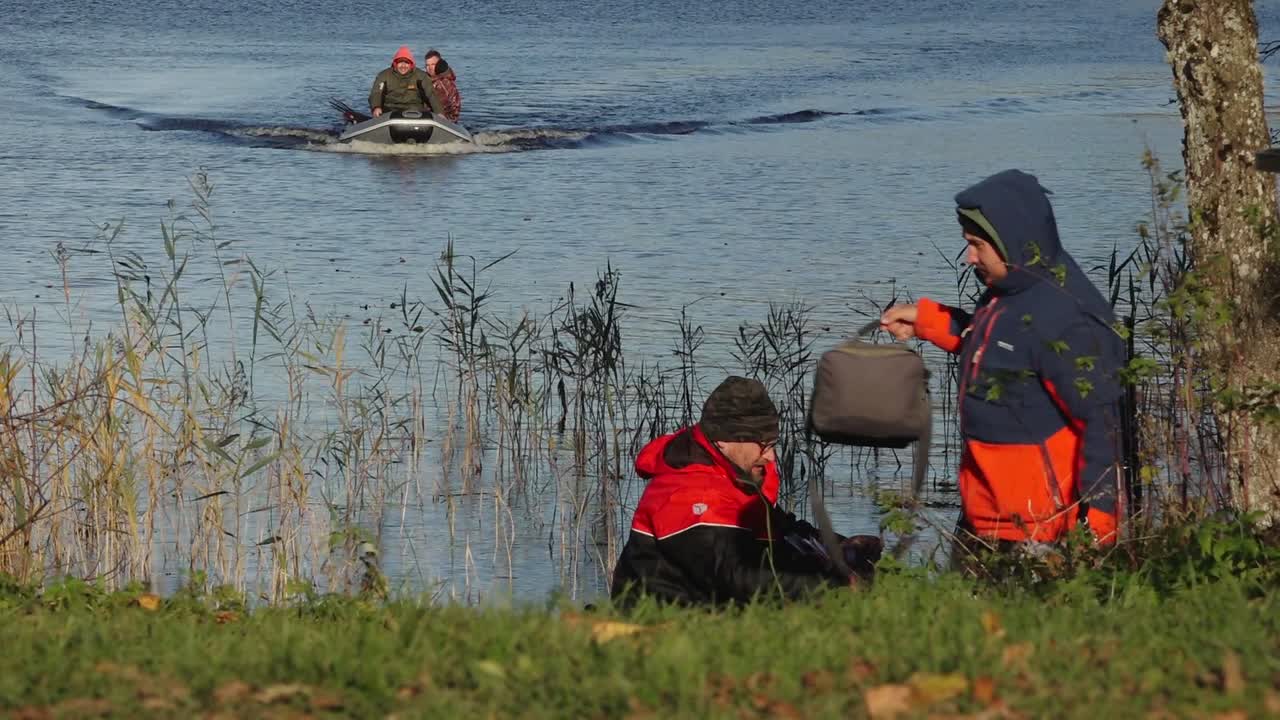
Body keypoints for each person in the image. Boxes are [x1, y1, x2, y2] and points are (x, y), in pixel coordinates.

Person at [879, 169, 1125, 563]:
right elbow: (996, 347)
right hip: (985, 513)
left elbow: (1101, 423)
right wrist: (927, 321)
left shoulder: (1065, 317)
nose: (969, 257)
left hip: (1038, 528)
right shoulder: (1010, 293)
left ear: (1013, 242)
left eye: (977, 245)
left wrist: (1099, 526)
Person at [611, 376, 881, 607]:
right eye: (763, 445)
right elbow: (735, 577)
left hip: (712, 611)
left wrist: (839, 545)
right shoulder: (689, 495)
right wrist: (835, 589)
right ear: (725, 441)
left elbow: (779, 530)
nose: (771, 457)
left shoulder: (732, 476)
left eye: (772, 444)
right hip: (664, 622)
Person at [368, 46, 444, 118]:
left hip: (415, 112)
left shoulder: (421, 76)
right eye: (400, 62)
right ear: (395, 63)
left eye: (406, 63)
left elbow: (431, 94)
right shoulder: (384, 76)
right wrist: (376, 107)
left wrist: (439, 112)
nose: (403, 66)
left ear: (411, 64)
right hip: (390, 112)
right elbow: (376, 93)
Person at [424, 49, 462, 123]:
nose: (430, 68)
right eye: (427, 65)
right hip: (428, 117)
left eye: (433, 64)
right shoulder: (424, 80)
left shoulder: (446, 83)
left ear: (439, 64)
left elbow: (454, 107)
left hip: (445, 121)